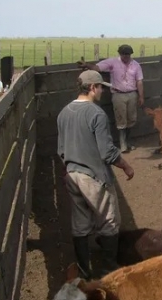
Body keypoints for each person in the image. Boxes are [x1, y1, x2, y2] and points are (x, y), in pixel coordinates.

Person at [57, 69, 135, 280]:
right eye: (101, 87)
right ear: (92, 88)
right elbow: (107, 152)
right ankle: (109, 269)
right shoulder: (96, 114)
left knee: (80, 223)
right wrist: (126, 166)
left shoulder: (64, 113)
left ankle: (84, 270)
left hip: (73, 174)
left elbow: (61, 149)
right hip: (94, 176)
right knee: (109, 221)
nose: (103, 91)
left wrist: (69, 170)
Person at [78, 44, 145, 153]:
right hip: (118, 95)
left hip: (132, 94)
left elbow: (139, 81)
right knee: (121, 119)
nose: (126, 56)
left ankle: (128, 142)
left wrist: (141, 96)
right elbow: (97, 68)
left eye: (128, 54)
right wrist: (87, 65)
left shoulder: (136, 65)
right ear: (120, 54)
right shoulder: (113, 62)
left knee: (131, 119)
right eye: (124, 54)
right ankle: (123, 144)